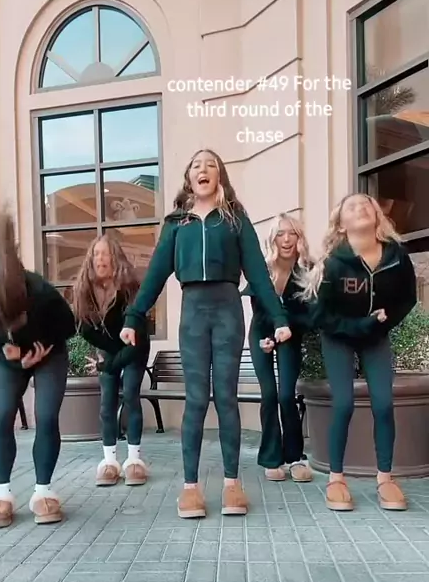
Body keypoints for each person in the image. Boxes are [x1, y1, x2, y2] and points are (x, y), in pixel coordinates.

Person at [119, 148, 292, 518]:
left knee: (226, 398)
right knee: (196, 400)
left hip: (228, 310)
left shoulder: (235, 218)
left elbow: (258, 272)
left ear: (219, 177)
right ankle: (190, 488)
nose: (203, 169)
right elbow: (156, 274)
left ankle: (232, 484)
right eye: (196, 165)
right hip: (193, 313)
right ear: (189, 178)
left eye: (211, 164)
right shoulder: (176, 223)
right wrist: (134, 316)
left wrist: (279, 317)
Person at [0, 197, 76, 528]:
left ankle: (44, 492)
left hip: (47, 351)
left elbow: (67, 326)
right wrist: (3, 351)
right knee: (0, 415)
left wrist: (40, 350)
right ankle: (1, 494)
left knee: (46, 415)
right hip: (7, 356)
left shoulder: (40, 291)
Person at [302, 192, 417, 512]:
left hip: (375, 335)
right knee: (343, 404)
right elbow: (320, 315)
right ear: (341, 223)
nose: (360, 207)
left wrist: (382, 323)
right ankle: (336, 479)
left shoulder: (396, 256)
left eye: (366, 204)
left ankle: (385, 479)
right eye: (351, 206)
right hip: (338, 336)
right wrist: (359, 325)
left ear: (377, 215)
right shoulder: (334, 263)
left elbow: (407, 297)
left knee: (384, 404)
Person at [72, 233, 150, 487]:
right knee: (106, 404)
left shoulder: (130, 289)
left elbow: (137, 339)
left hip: (135, 348)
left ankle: (135, 460)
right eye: (96, 254)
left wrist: (108, 363)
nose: (100, 258)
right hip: (110, 349)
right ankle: (109, 462)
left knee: (131, 395)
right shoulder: (85, 290)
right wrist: (110, 357)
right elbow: (84, 328)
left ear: (115, 258)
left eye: (105, 253)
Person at [241, 213, 314, 482]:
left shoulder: (308, 270)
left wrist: (286, 328)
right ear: (273, 239)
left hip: (292, 335)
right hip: (261, 332)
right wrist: (268, 338)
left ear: (299, 238)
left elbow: (311, 316)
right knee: (269, 395)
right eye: (280, 234)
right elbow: (258, 311)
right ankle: (271, 458)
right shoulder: (262, 269)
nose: (286, 239)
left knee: (286, 396)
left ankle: (295, 457)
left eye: (291, 233)